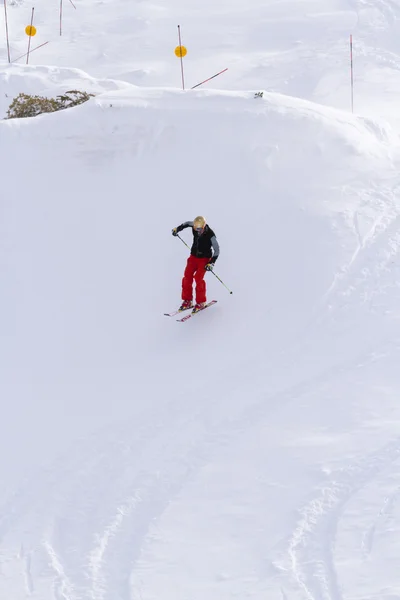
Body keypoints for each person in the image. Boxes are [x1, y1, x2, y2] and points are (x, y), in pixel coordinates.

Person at [172, 216, 220, 312]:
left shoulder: (211, 235)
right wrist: (177, 229)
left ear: (204, 226)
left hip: (204, 259)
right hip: (193, 257)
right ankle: (188, 300)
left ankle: (201, 302)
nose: (198, 231)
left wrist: (211, 263)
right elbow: (186, 224)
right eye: (196, 229)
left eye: (200, 229)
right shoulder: (193, 225)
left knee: (198, 278)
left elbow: (217, 250)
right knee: (187, 276)